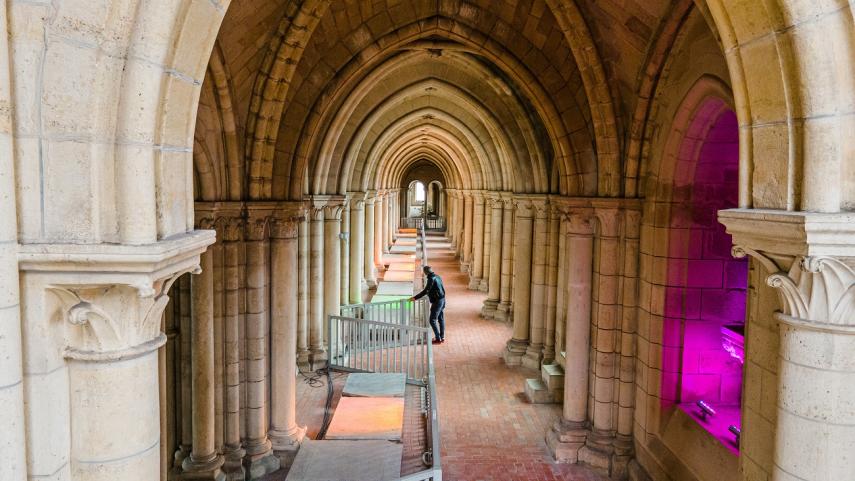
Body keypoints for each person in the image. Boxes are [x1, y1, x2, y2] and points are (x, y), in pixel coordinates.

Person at [410, 265, 446, 344]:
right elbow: (442, 288)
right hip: (442, 299)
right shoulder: (437, 276)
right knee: (441, 319)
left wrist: (415, 298)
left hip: (437, 301)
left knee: (432, 320)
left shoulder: (431, 279)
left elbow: (426, 291)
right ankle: (442, 337)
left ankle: (438, 338)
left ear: (426, 272)